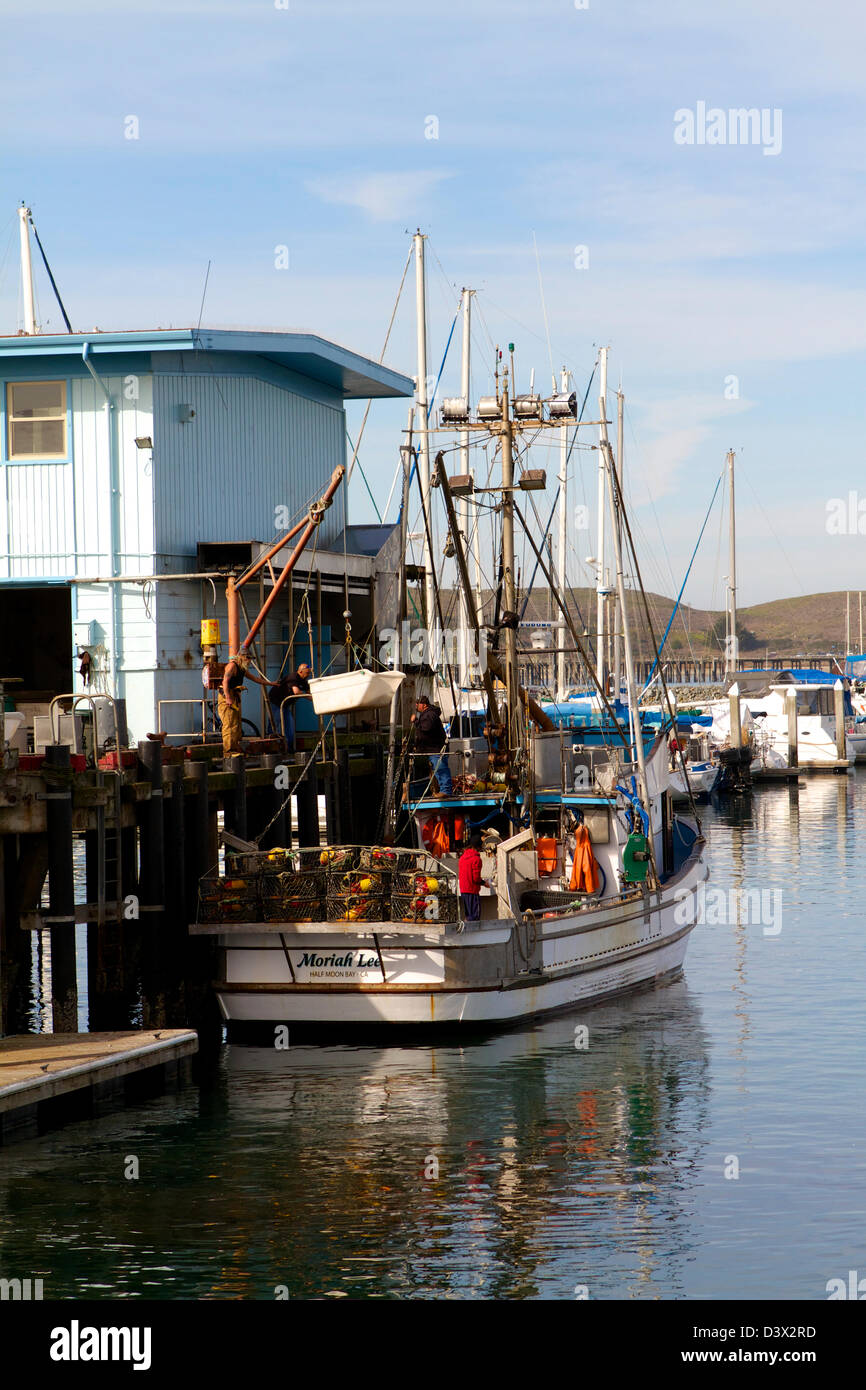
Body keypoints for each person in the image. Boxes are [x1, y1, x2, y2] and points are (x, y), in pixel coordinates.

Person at [218, 651, 271, 758]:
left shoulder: (242, 668)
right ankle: (228, 752)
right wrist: (228, 697)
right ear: (241, 657)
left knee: (236, 724)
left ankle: (236, 748)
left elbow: (255, 678)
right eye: (248, 658)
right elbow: (225, 681)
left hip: (234, 696)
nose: (250, 661)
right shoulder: (232, 666)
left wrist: (270, 683)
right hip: (226, 696)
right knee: (229, 724)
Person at [411, 694, 452, 795]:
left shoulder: (429, 714)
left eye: (418, 703)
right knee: (438, 769)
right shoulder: (428, 713)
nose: (416, 705)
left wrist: (415, 721)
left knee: (440, 769)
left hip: (436, 748)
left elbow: (426, 728)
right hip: (433, 748)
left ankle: (446, 791)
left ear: (424, 705)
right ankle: (443, 790)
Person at [269, 662, 313, 751]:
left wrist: (316, 698)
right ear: (300, 671)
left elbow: (309, 692)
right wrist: (307, 696)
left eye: (309, 673)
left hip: (285, 704)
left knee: (289, 726)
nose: (308, 675)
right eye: (307, 673)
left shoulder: (303, 680)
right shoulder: (293, 677)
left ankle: (289, 748)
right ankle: (271, 746)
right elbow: (296, 691)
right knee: (275, 724)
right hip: (277, 701)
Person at [458, 833, 486, 922]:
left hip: (463, 890)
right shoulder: (476, 859)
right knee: (475, 917)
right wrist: (485, 883)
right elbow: (476, 878)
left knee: (468, 916)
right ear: (479, 847)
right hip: (472, 891)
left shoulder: (462, 858)